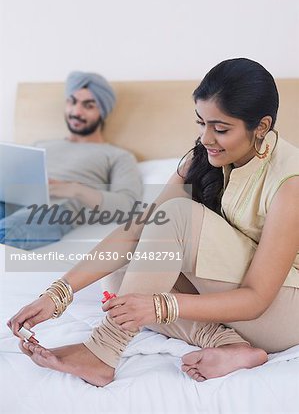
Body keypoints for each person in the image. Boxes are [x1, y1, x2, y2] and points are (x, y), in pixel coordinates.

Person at [7, 58, 299, 387]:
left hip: (279, 312)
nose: (206, 138)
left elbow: (257, 298)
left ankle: (103, 352)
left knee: (175, 217)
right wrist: (57, 294)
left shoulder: (290, 182)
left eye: (220, 128)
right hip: (233, 298)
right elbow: (140, 228)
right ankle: (228, 345)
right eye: (201, 123)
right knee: (119, 280)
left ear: (261, 126)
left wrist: (161, 305)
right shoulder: (202, 157)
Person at [0, 71, 142, 250]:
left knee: (5, 234)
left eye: (88, 105)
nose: (76, 111)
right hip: (13, 199)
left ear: (103, 111)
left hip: (55, 210)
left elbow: (129, 206)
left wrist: (74, 189)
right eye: (72, 101)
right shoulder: (41, 144)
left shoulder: (117, 155)